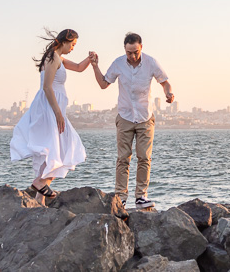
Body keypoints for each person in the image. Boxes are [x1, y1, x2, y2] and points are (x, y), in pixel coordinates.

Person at [90, 32, 173, 209]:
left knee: (144, 157)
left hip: (145, 117)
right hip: (125, 116)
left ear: (141, 47)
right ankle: (121, 196)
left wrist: (168, 93)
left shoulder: (151, 62)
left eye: (135, 52)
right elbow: (104, 84)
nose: (133, 56)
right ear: (125, 50)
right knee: (123, 158)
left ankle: (141, 196)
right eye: (129, 52)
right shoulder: (118, 63)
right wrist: (95, 66)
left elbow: (164, 82)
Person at [10, 28, 92, 204]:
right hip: (49, 108)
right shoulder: (52, 57)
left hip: (54, 108)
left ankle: (40, 198)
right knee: (61, 148)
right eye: (73, 44)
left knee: (56, 149)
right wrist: (58, 113)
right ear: (65, 41)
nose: (73, 48)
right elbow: (47, 87)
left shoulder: (58, 58)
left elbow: (78, 67)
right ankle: (39, 182)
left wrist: (90, 60)